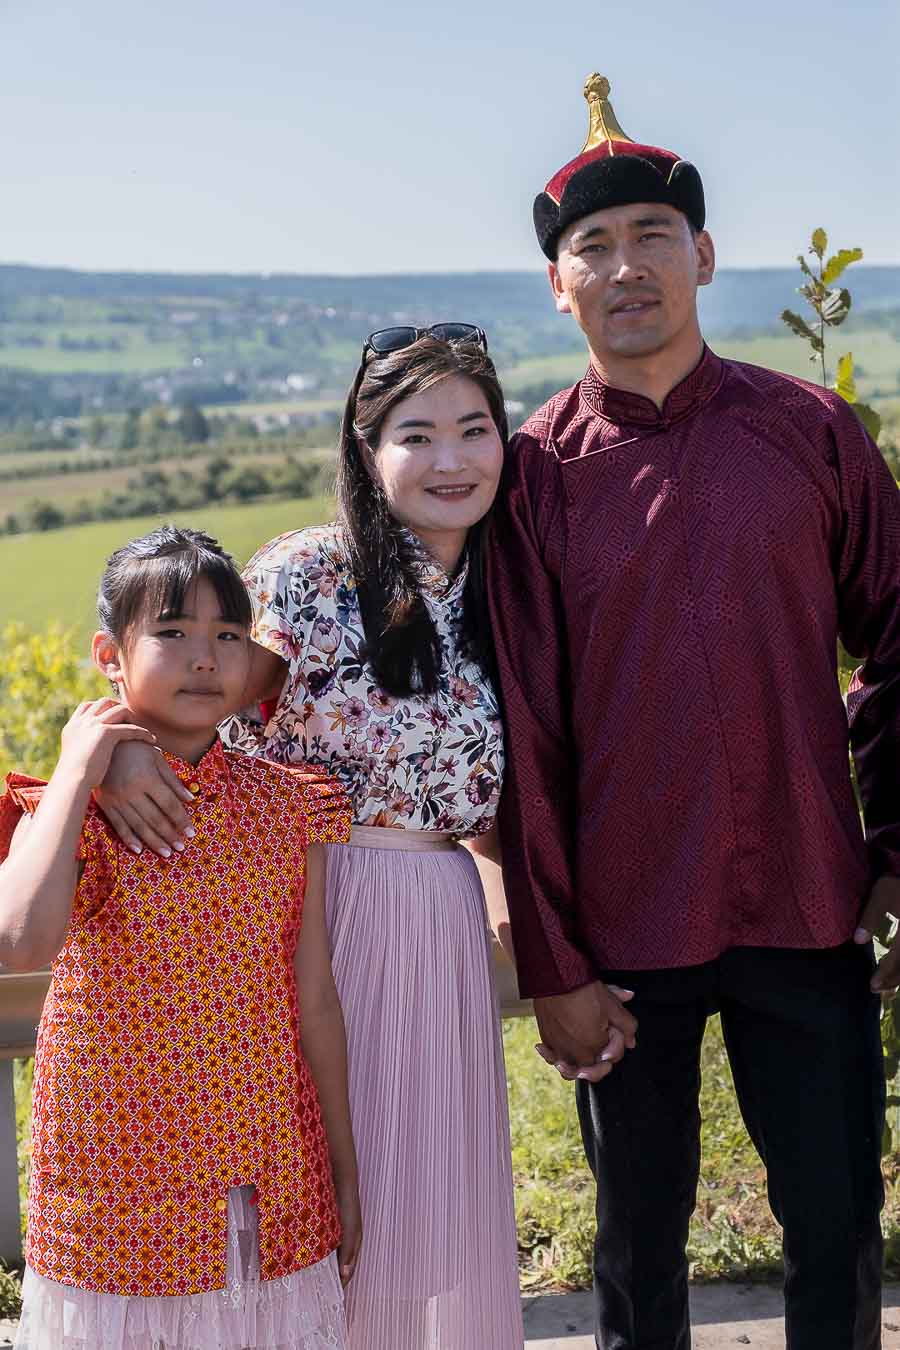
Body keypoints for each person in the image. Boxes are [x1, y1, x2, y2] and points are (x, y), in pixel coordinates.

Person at [488, 73, 900, 1350]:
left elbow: (898, 642)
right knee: (634, 1245)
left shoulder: (813, 432)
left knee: (836, 1227)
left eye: (652, 237)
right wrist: (555, 967)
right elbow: (525, 730)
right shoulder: (534, 479)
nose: (625, 268)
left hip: (809, 899)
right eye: (591, 248)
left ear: (706, 255)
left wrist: (893, 853)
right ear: (559, 285)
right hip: (624, 929)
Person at [88, 333, 526, 1350]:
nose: (452, 459)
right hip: (323, 917)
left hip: (443, 924)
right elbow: (184, 684)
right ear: (366, 453)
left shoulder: (504, 589)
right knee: (342, 1220)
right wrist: (105, 746)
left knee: (429, 1230)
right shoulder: (311, 578)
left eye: (474, 430)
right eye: (417, 435)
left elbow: (489, 800)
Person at [0, 525, 361, 1350]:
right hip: (114, 1177)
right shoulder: (70, 807)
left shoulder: (290, 804)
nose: (205, 657)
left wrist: (344, 1165)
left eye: (228, 635)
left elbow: (314, 1001)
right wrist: (80, 758)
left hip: (268, 1163)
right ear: (109, 653)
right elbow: (19, 942)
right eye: (171, 632)